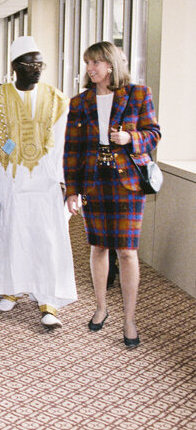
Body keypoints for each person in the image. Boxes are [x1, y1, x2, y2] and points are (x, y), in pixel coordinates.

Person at [0, 36, 76, 329]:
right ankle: (11, 288)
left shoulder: (57, 100)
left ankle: (47, 301)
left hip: (45, 183)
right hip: (9, 181)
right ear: (15, 66)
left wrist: (65, 182)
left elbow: (63, 145)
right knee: (10, 234)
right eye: (29, 63)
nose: (36, 68)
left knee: (45, 239)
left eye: (40, 63)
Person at [64, 41, 161, 349]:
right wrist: (71, 190)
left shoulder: (137, 94)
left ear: (111, 65)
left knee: (128, 252)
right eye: (87, 63)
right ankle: (101, 306)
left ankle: (129, 319)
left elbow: (154, 134)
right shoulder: (80, 102)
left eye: (96, 63)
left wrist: (129, 138)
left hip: (127, 184)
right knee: (98, 247)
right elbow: (72, 150)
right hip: (94, 182)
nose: (90, 69)